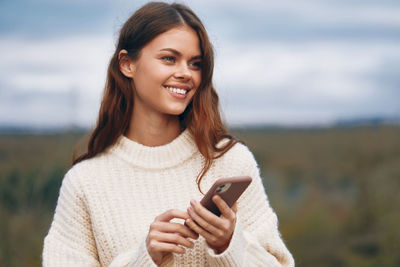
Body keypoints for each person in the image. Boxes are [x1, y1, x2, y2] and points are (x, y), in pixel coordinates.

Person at [42, 2, 294, 266]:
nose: (185, 73)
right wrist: (144, 258)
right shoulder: (85, 182)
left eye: (195, 63)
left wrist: (229, 244)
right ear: (127, 64)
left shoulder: (231, 161)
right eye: (169, 59)